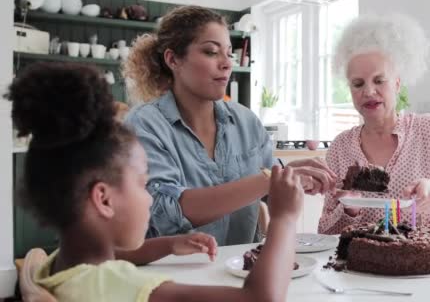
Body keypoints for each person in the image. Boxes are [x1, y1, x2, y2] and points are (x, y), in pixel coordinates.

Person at [7, 62, 304, 302]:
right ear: (104, 199)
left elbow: (119, 254)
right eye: (141, 184)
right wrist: (284, 219)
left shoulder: (63, 264)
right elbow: (259, 298)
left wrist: (170, 244)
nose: (150, 197)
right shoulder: (112, 286)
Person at [123, 5, 336, 245]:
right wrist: (269, 179)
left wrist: (292, 179)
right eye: (211, 52)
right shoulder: (143, 125)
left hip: (243, 273)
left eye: (228, 53)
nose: (226, 64)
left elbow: (269, 193)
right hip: (173, 276)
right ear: (173, 59)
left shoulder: (246, 122)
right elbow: (166, 210)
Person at [318, 14, 430, 234]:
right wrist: (349, 211)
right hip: (365, 265)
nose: (368, 91)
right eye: (358, 84)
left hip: (428, 263)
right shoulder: (340, 147)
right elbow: (325, 231)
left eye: (379, 80)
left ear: (397, 84)